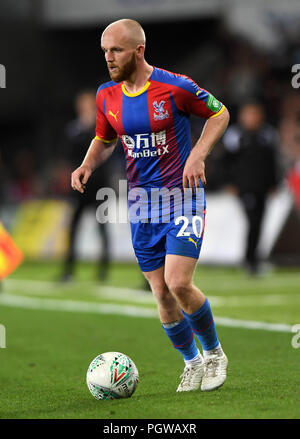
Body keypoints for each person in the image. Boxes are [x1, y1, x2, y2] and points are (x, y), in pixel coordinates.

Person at [71, 19, 230, 392]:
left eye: (116, 51)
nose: (108, 58)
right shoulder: (106, 95)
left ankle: (214, 355)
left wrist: (198, 155)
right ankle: (191, 363)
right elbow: (104, 137)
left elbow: (219, 114)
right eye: (105, 51)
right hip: (143, 204)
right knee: (160, 292)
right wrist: (86, 164)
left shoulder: (175, 86)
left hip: (182, 197)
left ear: (138, 50)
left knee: (178, 283)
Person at [222, 102, 281, 274]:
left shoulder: (268, 135)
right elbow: (225, 162)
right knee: (253, 222)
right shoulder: (235, 136)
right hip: (245, 187)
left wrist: (274, 184)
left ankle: (252, 259)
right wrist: (229, 183)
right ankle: (250, 260)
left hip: (262, 187)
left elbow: (272, 162)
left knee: (259, 223)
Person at [61, 91, 111, 281]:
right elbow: (69, 155)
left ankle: (103, 271)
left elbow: (106, 150)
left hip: (100, 187)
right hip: (80, 188)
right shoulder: (74, 129)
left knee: (103, 229)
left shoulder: (101, 126)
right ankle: (68, 270)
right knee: (73, 228)